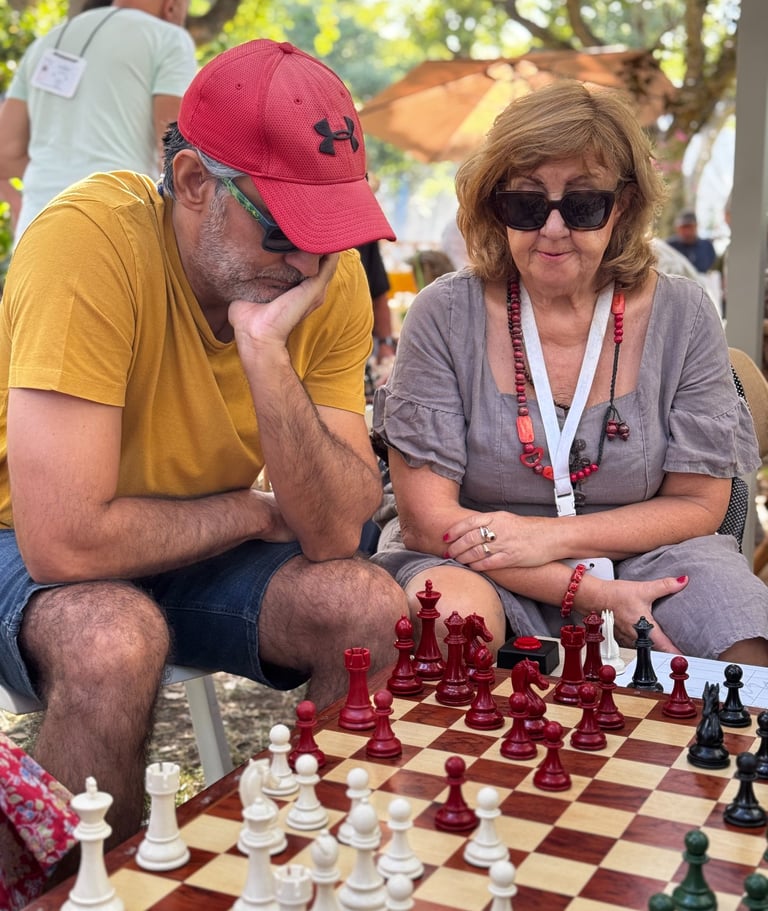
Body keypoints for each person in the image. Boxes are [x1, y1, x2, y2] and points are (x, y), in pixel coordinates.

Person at [0, 38, 407, 852]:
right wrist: (251, 513)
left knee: (369, 608)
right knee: (112, 640)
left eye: (330, 232)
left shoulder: (320, 281)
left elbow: (334, 531)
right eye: (283, 228)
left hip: (183, 545)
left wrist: (264, 353)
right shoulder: (88, 239)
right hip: (21, 536)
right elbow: (65, 541)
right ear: (192, 182)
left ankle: (320, 867)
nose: (309, 261)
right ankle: (63, 895)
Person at [371, 81, 768, 669]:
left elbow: (697, 504)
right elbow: (430, 524)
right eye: (527, 204)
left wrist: (548, 538)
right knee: (453, 624)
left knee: (744, 642)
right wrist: (591, 593)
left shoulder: (682, 314)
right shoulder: (444, 313)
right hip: (477, 559)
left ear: (622, 206)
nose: (553, 228)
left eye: (583, 205)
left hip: (647, 554)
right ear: (494, 206)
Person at [0, 0, 197, 247]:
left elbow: (5, 154)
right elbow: (173, 151)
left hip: (36, 226)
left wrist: (54, 178)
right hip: (116, 227)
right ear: (172, 6)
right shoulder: (169, 39)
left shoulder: (47, 42)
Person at [665, 209, 717, 274]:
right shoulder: (668, 246)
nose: (687, 232)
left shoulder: (707, 246)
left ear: (696, 226)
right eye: (684, 228)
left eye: (690, 227)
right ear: (677, 228)